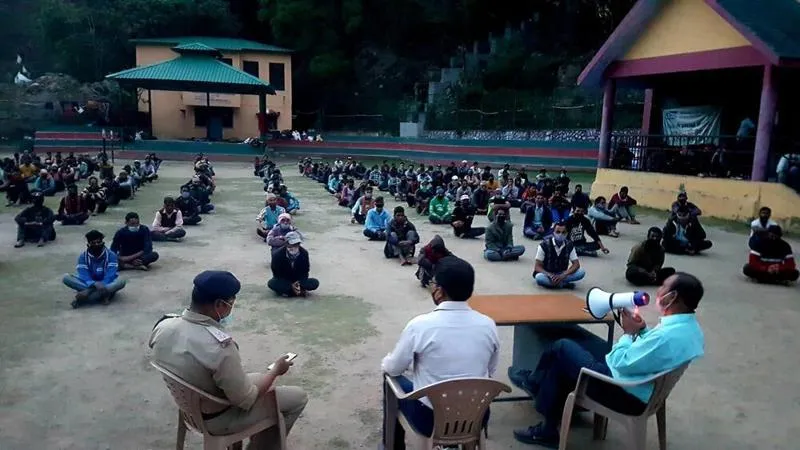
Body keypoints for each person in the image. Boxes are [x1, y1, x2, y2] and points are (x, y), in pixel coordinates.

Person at [513, 273, 705, 447]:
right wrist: (642, 331)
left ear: (672, 298)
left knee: (562, 347)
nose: (658, 290)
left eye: (663, 287)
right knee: (572, 354)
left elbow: (621, 361)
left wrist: (629, 333)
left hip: (623, 392)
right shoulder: (690, 329)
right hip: (647, 389)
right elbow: (654, 353)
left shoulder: (665, 337)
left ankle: (542, 408)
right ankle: (538, 385)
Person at [149, 271, 308, 450]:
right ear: (219, 304)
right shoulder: (220, 348)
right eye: (231, 303)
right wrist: (276, 370)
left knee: (257, 378)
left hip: (191, 405)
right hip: (218, 418)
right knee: (297, 398)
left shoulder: (164, 326)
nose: (231, 307)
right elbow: (247, 400)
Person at [382, 256, 499, 450]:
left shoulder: (420, 326)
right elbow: (491, 371)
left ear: (439, 291)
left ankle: (390, 446)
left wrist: (386, 363)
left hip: (431, 419)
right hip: (477, 415)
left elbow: (394, 368)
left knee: (389, 378)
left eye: (433, 283)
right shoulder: (488, 325)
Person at [62, 229, 127, 308]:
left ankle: (84, 298)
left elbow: (110, 275)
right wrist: (93, 284)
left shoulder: (111, 255)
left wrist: (88, 290)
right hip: (89, 283)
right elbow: (83, 275)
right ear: (88, 244)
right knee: (66, 278)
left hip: (106, 283)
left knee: (121, 281)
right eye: (93, 243)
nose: (96, 245)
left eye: (99, 242)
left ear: (103, 243)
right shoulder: (83, 257)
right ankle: (105, 295)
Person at [533, 222, 585, 289]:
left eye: (563, 232)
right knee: (539, 277)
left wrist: (563, 275)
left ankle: (556, 284)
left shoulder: (569, 245)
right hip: (547, 274)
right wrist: (550, 275)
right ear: (553, 233)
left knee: (581, 272)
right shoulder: (543, 245)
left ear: (566, 234)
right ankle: (563, 284)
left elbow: (576, 264)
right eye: (558, 232)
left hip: (562, 273)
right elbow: (537, 267)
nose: (560, 234)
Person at [268, 232, 320, 297]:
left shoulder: (304, 253)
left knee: (315, 282)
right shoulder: (277, 255)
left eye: (296, 244)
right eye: (291, 244)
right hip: (284, 280)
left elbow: (305, 271)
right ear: (286, 244)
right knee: (272, 283)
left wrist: (298, 283)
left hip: (298, 280)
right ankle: (293, 291)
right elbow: (277, 274)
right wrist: (291, 285)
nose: (294, 247)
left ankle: (292, 291)